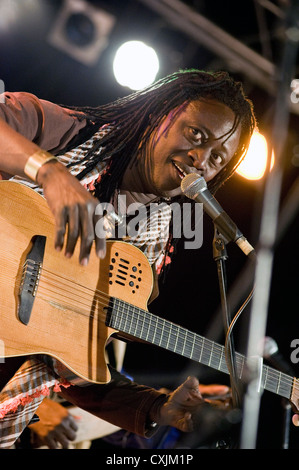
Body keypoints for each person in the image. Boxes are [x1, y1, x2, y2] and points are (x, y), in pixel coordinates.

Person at [0, 68, 285, 449]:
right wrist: (50, 172)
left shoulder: (148, 252)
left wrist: (158, 408)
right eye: (195, 134)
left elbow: (70, 362)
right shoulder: (69, 134)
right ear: (159, 113)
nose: (200, 158)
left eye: (217, 157)